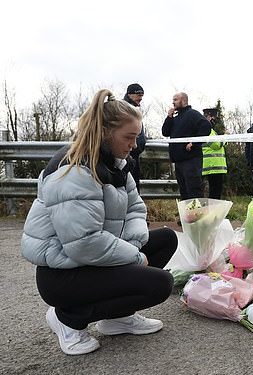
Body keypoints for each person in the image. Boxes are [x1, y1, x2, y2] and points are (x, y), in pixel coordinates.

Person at [21, 89, 177, 355]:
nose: (134, 145)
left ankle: (117, 318)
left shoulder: (117, 164)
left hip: (93, 261)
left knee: (166, 239)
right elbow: (84, 243)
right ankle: (68, 319)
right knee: (160, 284)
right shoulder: (74, 170)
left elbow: (135, 209)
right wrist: (135, 258)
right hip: (64, 274)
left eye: (136, 137)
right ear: (106, 132)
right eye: (129, 137)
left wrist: (132, 244)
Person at [162, 92, 212, 200]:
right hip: (179, 160)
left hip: (191, 159)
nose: (173, 102)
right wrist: (169, 117)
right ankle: (187, 216)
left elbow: (206, 126)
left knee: (193, 190)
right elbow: (165, 132)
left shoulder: (192, 114)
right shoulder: (176, 117)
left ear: (183, 100)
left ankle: (198, 215)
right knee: (184, 191)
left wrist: (194, 142)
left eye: (175, 99)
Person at [122, 83, 147, 191]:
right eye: (138, 95)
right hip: (125, 155)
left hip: (134, 155)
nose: (140, 98)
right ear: (130, 94)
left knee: (134, 187)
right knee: (126, 186)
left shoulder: (135, 110)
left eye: (142, 95)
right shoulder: (122, 109)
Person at [202, 108, 227, 199]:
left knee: (214, 192)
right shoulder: (208, 130)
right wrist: (225, 138)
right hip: (213, 165)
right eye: (213, 117)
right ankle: (213, 212)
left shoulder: (211, 130)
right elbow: (216, 144)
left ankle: (213, 211)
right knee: (214, 193)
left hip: (213, 166)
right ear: (209, 117)